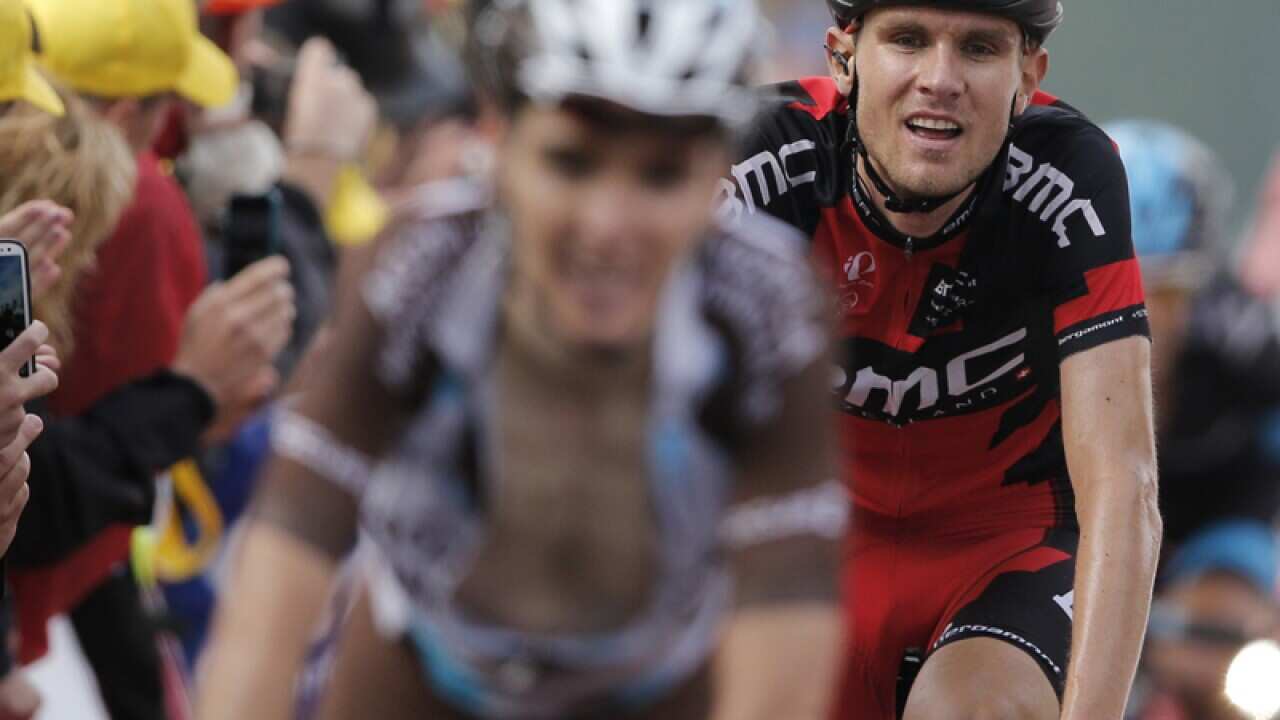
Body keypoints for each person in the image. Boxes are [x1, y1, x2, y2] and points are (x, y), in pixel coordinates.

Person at [197, 1, 846, 719]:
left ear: (715, 175)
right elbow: (288, 549)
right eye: (571, 162)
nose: (607, 226)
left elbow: (788, 610)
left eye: (660, 176)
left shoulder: (768, 308)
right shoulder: (419, 268)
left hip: (656, 687)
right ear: (499, 141)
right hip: (426, 679)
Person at [722, 1, 1161, 718]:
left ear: (1028, 77)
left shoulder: (1071, 174)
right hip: (811, 536)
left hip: (1004, 546)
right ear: (842, 57)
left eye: (979, 49)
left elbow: (1123, 483)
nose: (940, 78)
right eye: (907, 39)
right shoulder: (757, 156)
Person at [1098, 119, 1280, 720]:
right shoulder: (1006, 347)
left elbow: (1263, 475)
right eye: (1114, 287)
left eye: (1169, 290)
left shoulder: (1246, 350)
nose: (1144, 314)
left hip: (1211, 531)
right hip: (1070, 534)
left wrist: (1248, 588)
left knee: (1217, 660)